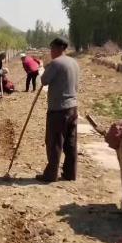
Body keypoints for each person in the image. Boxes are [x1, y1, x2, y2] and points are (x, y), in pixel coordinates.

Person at [36, 38, 80, 182]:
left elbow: (44, 80)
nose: (51, 52)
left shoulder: (56, 63)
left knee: (54, 142)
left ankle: (50, 175)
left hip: (58, 109)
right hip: (72, 107)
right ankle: (70, 173)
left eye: (51, 49)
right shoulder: (73, 62)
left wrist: (46, 69)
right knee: (70, 142)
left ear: (55, 48)